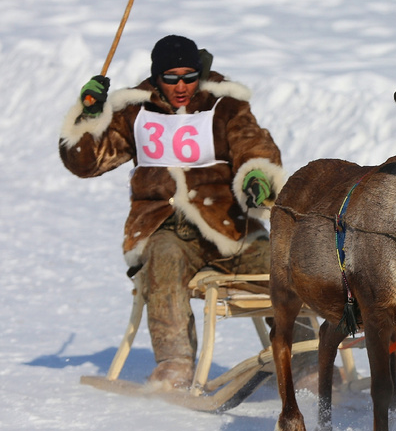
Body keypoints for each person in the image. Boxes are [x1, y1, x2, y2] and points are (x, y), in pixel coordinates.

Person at [60, 35, 299, 390]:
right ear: (157, 78)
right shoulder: (135, 111)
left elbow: (253, 145)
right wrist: (88, 118)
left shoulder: (224, 105)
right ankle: (175, 363)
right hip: (164, 227)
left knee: (283, 266)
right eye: (171, 78)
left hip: (229, 228)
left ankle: (307, 360)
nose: (182, 86)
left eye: (189, 77)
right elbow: (85, 163)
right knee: (165, 257)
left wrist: (257, 176)